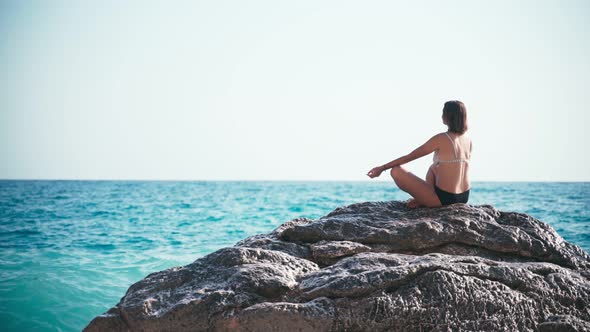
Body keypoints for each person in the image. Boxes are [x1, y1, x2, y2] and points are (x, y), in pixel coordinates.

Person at [366, 100, 471, 208]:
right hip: (463, 197)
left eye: (443, 112)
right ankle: (423, 199)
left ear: (448, 116)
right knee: (434, 167)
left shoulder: (441, 138)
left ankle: (424, 200)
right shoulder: (468, 140)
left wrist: (382, 168)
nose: (442, 115)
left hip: (444, 199)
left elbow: (410, 157)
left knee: (396, 171)